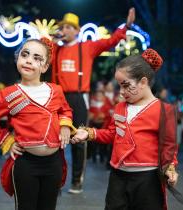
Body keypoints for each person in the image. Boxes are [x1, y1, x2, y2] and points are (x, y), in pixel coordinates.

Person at [72, 49, 179, 210]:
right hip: (118, 176)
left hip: (148, 179)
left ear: (143, 82)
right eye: (119, 86)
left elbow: (168, 146)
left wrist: (170, 169)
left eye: (126, 85)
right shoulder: (120, 108)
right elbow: (111, 133)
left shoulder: (165, 110)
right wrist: (88, 133)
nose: (121, 92)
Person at [0, 38, 76, 210]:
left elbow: (65, 110)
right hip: (25, 164)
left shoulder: (56, 90)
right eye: (25, 55)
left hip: (54, 163)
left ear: (45, 67)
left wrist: (64, 125)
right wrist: (7, 141)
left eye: (37, 58)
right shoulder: (7, 95)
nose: (29, 60)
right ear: (17, 59)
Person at [51, 7, 136, 194]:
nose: (64, 30)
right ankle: (55, 182)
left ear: (77, 30)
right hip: (58, 97)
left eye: (68, 27)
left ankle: (76, 181)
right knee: (55, 141)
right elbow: (38, 49)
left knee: (79, 139)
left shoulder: (87, 47)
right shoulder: (55, 48)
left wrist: (127, 26)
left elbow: (111, 41)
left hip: (79, 97)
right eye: (63, 27)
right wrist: (52, 39)